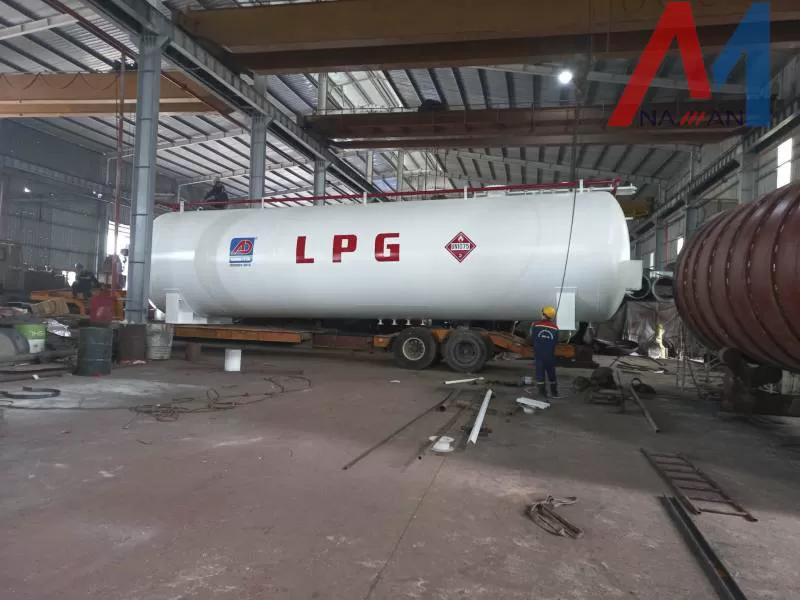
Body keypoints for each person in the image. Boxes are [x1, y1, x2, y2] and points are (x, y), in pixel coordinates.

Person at [531, 306, 560, 398]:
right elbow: (555, 341)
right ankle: (554, 392)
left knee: (540, 374)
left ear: (544, 314)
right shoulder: (555, 328)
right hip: (550, 355)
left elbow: (533, 338)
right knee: (552, 374)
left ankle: (542, 393)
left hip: (539, 355)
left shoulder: (536, 325)